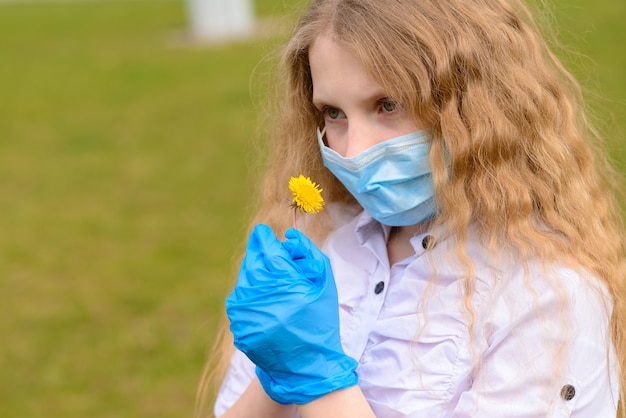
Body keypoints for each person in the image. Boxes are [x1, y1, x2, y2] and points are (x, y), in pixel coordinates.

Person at [197, 0, 626, 416]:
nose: (354, 149)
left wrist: (316, 379)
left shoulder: (545, 296)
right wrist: (275, 363)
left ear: (475, 109)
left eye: (388, 105)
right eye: (333, 113)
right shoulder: (324, 246)